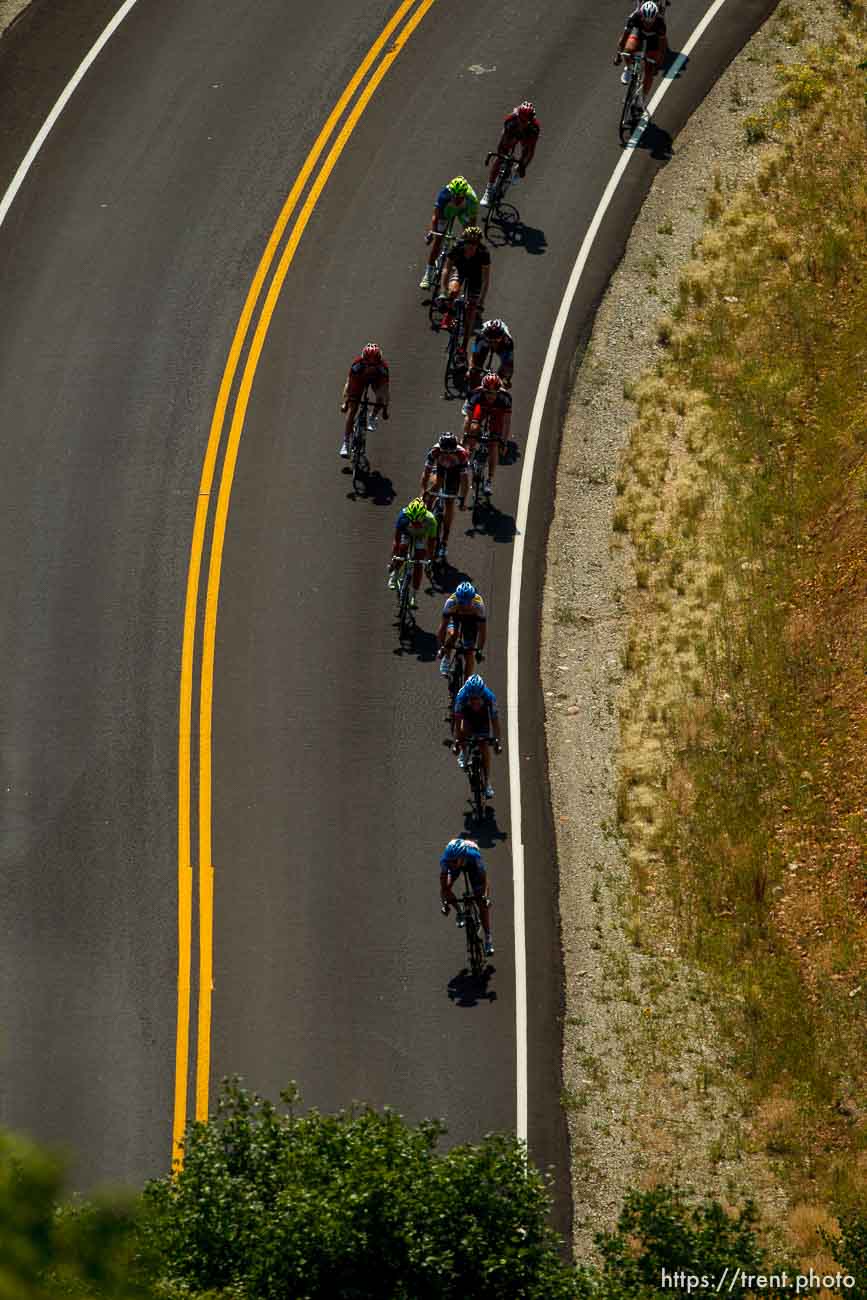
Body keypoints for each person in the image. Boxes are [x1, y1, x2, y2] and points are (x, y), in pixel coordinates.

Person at [438, 227, 491, 360]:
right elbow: (446, 269)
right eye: (468, 243)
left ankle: (463, 348)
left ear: (478, 244)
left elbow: (485, 279)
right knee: (454, 290)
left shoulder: (483, 253)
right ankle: (449, 313)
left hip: (476, 278)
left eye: (474, 244)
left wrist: (481, 301)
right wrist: (444, 291)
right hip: (460, 271)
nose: (471, 247)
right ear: (464, 242)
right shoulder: (457, 247)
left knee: (470, 315)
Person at [419, 177, 480, 291]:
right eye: (454, 196)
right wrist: (432, 232)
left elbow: (472, 224)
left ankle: (458, 266)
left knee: (468, 239)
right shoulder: (444, 195)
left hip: (464, 211)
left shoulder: (472, 200)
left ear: (464, 195)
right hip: (447, 211)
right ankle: (428, 273)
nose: (456, 199)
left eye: (459, 197)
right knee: (438, 239)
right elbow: (436, 216)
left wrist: (466, 239)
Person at [440, 836, 494, 956]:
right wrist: (445, 902)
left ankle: (488, 937)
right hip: (462, 861)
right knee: (446, 888)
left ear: (462, 857)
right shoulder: (446, 861)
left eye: (454, 861)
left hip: (472, 865)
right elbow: (443, 886)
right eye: (449, 861)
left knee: (481, 903)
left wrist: (485, 897)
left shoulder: (474, 856)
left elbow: (485, 879)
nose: (451, 864)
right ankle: (460, 912)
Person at [480, 101, 541, 208]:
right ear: (518, 116)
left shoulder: (534, 128)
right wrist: (501, 155)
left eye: (525, 121)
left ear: (530, 120)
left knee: (526, 152)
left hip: (527, 135)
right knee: (500, 157)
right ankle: (488, 190)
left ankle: (515, 174)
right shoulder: (511, 120)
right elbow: (503, 142)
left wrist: (522, 167)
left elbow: (530, 151)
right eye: (520, 119)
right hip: (512, 132)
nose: (522, 122)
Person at [420, 433, 470, 559]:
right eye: (445, 453)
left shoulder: (462, 455)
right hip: (441, 470)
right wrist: (423, 491)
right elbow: (426, 473)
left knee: (449, 502)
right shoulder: (434, 451)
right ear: (440, 449)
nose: (447, 455)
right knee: (431, 492)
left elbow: (464, 481)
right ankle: (424, 521)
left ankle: (444, 541)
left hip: (455, 473)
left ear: (455, 449)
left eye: (450, 453)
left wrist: (463, 499)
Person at [453, 673, 502, 800]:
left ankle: (487, 782)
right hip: (467, 716)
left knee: (484, 746)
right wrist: (458, 742)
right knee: (464, 732)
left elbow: (495, 723)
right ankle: (464, 754)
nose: (475, 702)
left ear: (482, 695)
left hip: (482, 718)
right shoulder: (461, 698)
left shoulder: (490, 697)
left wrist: (497, 742)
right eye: (472, 699)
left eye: (477, 699)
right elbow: (457, 724)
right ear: (468, 696)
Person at [463, 372, 512, 498]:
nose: (490, 396)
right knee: (473, 429)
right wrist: (466, 437)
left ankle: (489, 480)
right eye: (487, 392)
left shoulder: (505, 398)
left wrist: (504, 442)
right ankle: (470, 454)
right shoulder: (476, 394)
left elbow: (506, 422)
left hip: (497, 412)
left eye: (493, 393)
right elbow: (468, 418)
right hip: (480, 408)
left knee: (494, 444)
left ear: (498, 391)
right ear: (483, 390)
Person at [614, 1, 668, 113]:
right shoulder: (635, 17)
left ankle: (642, 100)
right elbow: (623, 38)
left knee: (649, 71)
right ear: (641, 16)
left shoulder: (660, 23)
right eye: (646, 20)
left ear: (655, 17)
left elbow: (662, 46)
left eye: (651, 21)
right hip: (639, 33)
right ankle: (629, 68)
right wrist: (619, 55)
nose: (648, 23)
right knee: (628, 50)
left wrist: (659, 63)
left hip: (654, 39)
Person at [339, 343, 390, 457]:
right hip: (358, 380)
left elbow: (385, 390)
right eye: (368, 364)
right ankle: (346, 442)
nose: (371, 366)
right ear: (363, 360)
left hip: (376, 379)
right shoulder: (357, 365)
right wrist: (346, 402)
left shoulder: (383, 368)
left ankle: (372, 417)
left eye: (374, 365)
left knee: (381, 396)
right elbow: (349, 385)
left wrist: (385, 409)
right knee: (352, 409)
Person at [387, 497, 437, 608]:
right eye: (412, 522)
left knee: (419, 562)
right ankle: (394, 575)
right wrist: (394, 558)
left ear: (423, 518)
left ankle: (414, 595)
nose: (415, 524)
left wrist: (429, 560)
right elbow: (396, 540)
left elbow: (431, 543)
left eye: (418, 522)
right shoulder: (403, 517)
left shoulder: (431, 520)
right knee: (402, 549)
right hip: (407, 533)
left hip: (421, 536)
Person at [437, 581, 487, 685]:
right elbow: (442, 628)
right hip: (455, 616)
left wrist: (479, 650)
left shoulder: (479, 605)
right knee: (453, 633)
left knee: (469, 653)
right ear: (457, 599)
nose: (464, 606)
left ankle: (465, 685)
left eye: (467, 603)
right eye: (461, 603)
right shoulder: (450, 603)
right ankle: (446, 659)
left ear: (472, 600)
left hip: (471, 620)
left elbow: (482, 631)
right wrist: (442, 647)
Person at [468, 318, 514, 390]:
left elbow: (509, 365)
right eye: (491, 341)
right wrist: (471, 367)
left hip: (501, 346)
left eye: (495, 341)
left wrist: (507, 379)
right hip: (485, 343)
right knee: (475, 366)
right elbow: (475, 351)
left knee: (506, 366)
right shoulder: (481, 335)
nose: (493, 343)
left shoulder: (507, 341)